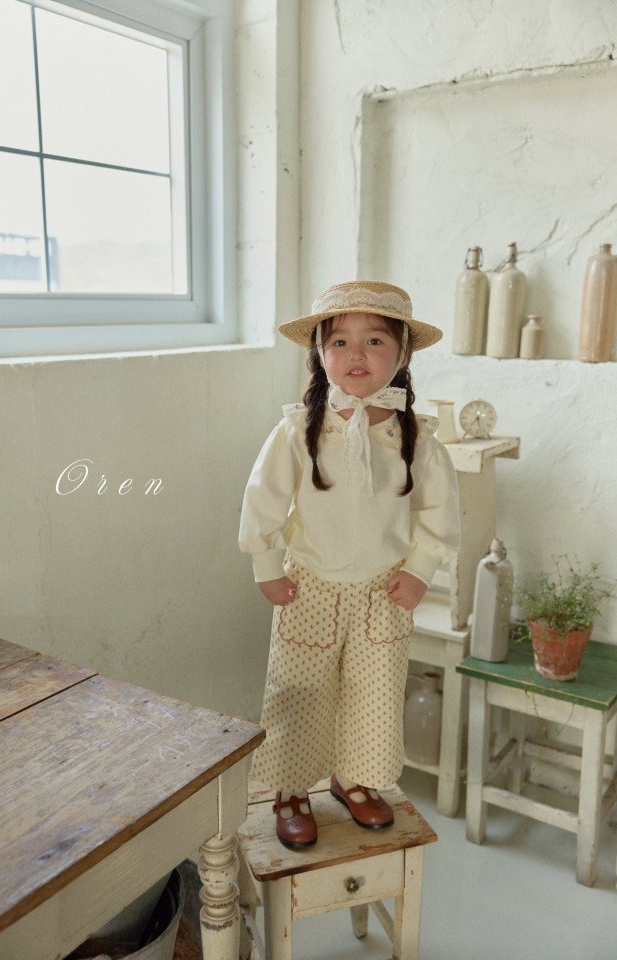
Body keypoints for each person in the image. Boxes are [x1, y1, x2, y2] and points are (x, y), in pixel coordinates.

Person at [239, 280, 460, 849]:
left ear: (403, 354)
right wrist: (267, 564)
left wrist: (420, 568)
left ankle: (354, 778)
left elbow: (439, 511)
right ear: (319, 353)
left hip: (384, 592)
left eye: (375, 340)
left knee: (375, 694)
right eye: (339, 341)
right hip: (308, 587)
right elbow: (263, 501)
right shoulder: (298, 430)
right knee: (299, 690)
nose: (356, 354)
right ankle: (291, 790)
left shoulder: (416, 437)